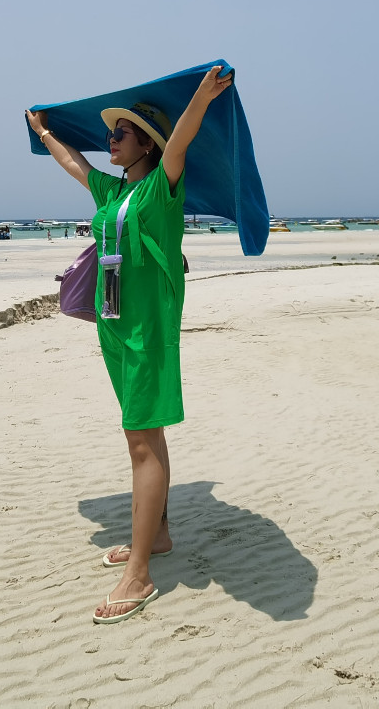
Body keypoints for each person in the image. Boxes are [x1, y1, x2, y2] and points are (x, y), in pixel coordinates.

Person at [26, 65, 233, 623]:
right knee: (146, 434)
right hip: (113, 325)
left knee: (141, 440)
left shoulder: (161, 188)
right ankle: (158, 534)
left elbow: (180, 141)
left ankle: (139, 573)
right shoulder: (112, 189)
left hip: (148, 332)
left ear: (147, 144)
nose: (111, 139)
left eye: (122, 133)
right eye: (111, 133)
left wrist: (200, 97)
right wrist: (43, 132)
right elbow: (74, 164)